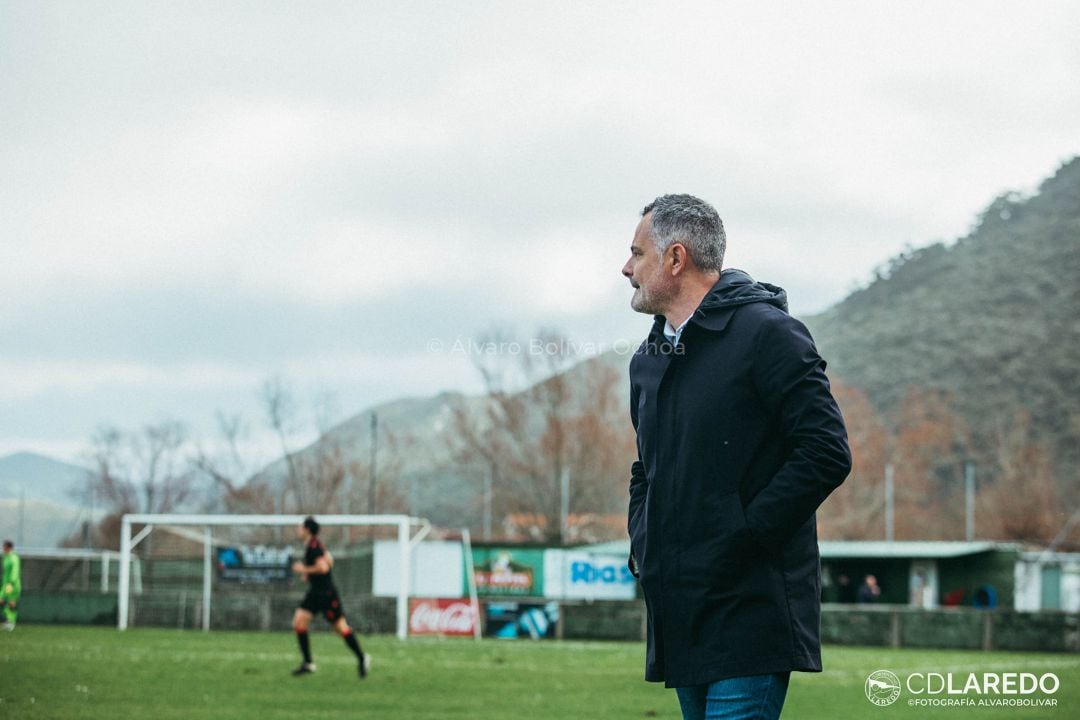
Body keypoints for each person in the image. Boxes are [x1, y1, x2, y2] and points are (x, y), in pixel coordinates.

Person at [622, 195, 851, 720]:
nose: (626, 268)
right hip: (680, 609)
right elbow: (644, 470)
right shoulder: (648, 358)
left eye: (637, 253)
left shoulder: (769, 334)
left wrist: (743, 536)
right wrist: (646, 543)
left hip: (751, 606)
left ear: (675, 259)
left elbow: (825, 451)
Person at [290, 516, 370, 678]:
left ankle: (362, 658)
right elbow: (329, 560)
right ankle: (308, 663)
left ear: (307, 530)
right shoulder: (313, 545)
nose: (297, 530)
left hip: (326, 594)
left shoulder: (314, 547)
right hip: (315, 591)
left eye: (300, 528)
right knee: (299, 621)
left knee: (340, 628)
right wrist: (310, 575)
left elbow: (324, 568)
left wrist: (303, 570)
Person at [2, 540, 21, 631]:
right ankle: (9, 621)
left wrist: (11, 582)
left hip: (11, 585)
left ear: (9, 547)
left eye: (5, 547)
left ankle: (11, 622)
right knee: (3, 601)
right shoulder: (6, 557)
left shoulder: (14, 558)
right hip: (5, 584)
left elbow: (15, 571)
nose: (3, 549)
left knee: (11, 602)